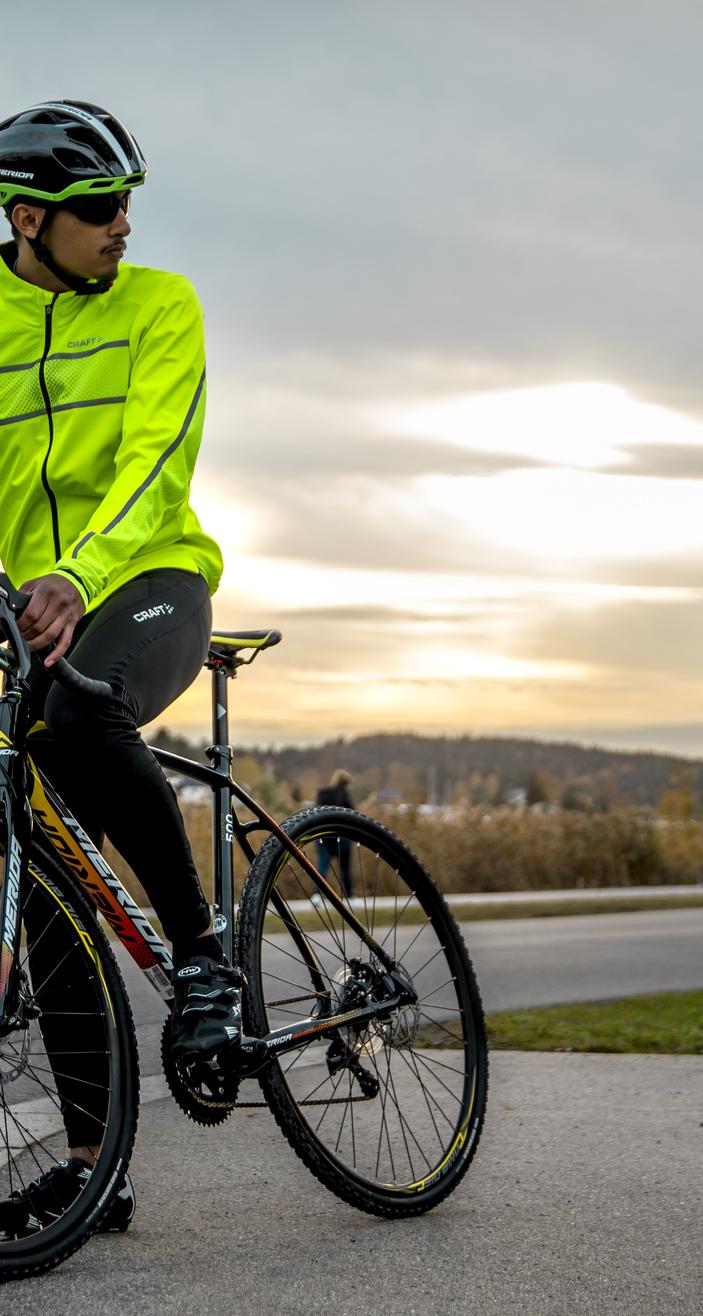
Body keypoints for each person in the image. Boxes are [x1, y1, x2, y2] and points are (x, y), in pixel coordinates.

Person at [0, 100, 235, 1234]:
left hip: (147, 582)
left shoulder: (161, 306)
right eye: (99, 208)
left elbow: (155, 461)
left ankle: (201, 958)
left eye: (129, 202)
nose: (122, 224)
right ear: (28, 216)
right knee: (28, 855)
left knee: (75, 716)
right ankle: (96, 1164)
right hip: (20, 613)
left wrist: (78, 574)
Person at [316, 768, 355, 897]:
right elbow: (354, 816)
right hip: (342, 838)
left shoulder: (323, 793)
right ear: (346, 782)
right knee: (345, 869)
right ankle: (349, 896)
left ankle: (317, 895)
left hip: (323, 837)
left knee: (322, 867)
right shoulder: (344, 795)